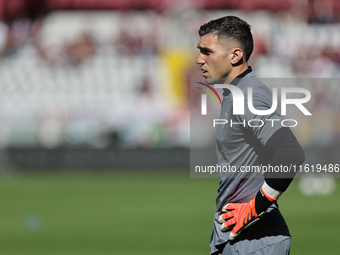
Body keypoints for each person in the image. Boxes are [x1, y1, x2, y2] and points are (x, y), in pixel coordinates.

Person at [196, 16, 305, 255]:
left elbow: (290, 153)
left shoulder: (248, 95)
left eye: (207, 52)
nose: (199, 59)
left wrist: (254, 208)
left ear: (235, 56)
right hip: (240, 238)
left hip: (254, 242)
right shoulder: (235, 93)